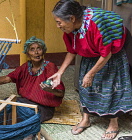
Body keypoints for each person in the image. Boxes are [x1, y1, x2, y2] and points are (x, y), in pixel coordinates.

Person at [49, 0, 132, 140]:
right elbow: (72, 50)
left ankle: (113, 123)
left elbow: (106, 54)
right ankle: (85, 119)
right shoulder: (70, 29)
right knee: (84, 83)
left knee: (109, 85)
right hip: (93, 49)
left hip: (111, 51)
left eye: (59, 22)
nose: (58, 26)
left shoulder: (97, 24)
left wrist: (91, 74)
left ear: (72, 19)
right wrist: (59, 73)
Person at [0, 36, 65, 139]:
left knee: (22, 115)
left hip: (43, 108)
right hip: (27, 102)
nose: (36, 52)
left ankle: (21, 134)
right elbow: (7, 79)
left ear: (43, 51)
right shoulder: (26, 67)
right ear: (27, 53)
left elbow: (61, 93)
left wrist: (50, 89)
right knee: (6, 105)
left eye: (39, 48)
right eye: (32, 49)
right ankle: (1, 132)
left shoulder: (50, 67)